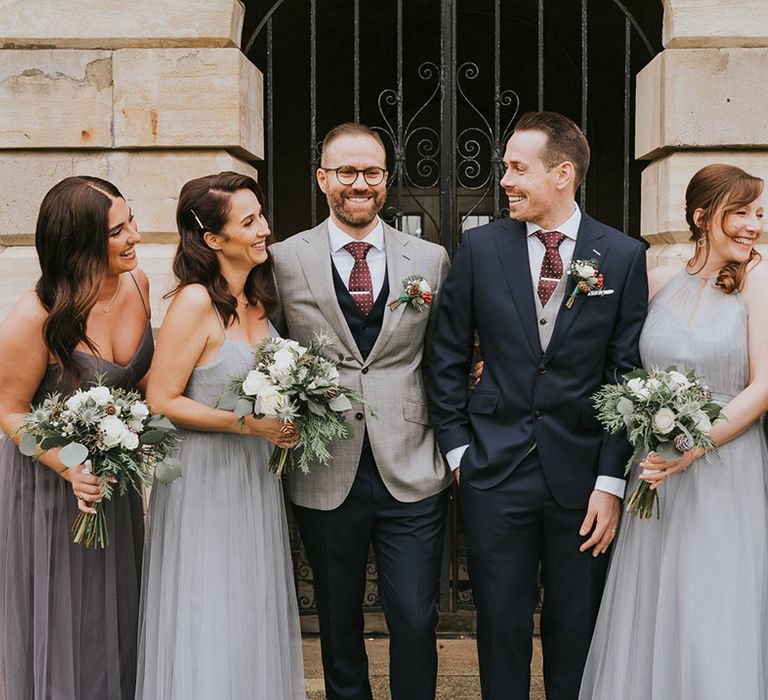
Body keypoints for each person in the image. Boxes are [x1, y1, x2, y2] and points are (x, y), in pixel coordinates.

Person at [428, 111, 648, 700]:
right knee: (499, 622)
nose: (504, 180)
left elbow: (625, 375)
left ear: (563, 174)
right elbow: (446, 355)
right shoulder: (479, 248)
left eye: (517, 168)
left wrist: (610, 481)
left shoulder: (622, 256)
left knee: (576, 623)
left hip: (582, 476)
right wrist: (457, 452)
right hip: (493, 469)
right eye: (505, 168)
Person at [270, 122, 452, 700]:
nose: (359, 183)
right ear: (323, 179)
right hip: (325, 466)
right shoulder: (281, 259)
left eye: (371, 172)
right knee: (338, 619)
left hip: (412, 462)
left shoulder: (430, 257)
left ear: (386, 179)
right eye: (346, 171)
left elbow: (447, 354)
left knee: (416, 619)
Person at [580, 164, 768, 699]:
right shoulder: (656, 279)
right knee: (654, 604)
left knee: (711, 606)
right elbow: (607, 359)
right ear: (701, 215)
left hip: (722, 470)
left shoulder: (760, 281)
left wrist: (690, 445)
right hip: (654, 473)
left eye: (758, 213)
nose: (753, 225)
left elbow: (763, 386)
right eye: (741, 212)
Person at [135, 172, 305, 699]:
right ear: (212, 239)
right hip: (205, 480)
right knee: (210, 607)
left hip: (252, 478)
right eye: (249, 221)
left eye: (261, 217)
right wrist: (249, 424)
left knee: (249, 608)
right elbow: (161, 399)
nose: (265, 230)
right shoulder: (193, 303)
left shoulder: (257, 297)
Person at [0, 176, 150, 699]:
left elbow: (145, 385)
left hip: (113, 481)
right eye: (117, 230)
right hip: (50, 487)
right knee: (65, 626)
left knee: (114, 622)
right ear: (80, 243)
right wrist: (69, 465)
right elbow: (10, 415)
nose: (135, 235)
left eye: (130, 220)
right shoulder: (34, 317)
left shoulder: (137, 284)